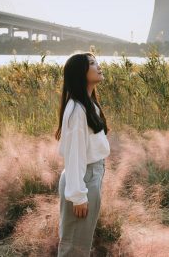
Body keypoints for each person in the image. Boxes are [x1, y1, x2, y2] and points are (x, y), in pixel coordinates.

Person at [54, 52, 111, 256]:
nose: (98, 66)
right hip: (83, 178)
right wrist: (78, 195)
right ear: (80, 72)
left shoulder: (89, 104)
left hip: (90, 176)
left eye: (97, 61)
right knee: (74, 247)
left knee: (80, 244)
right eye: (92, 63)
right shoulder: (78, 109)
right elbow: (75, 155)